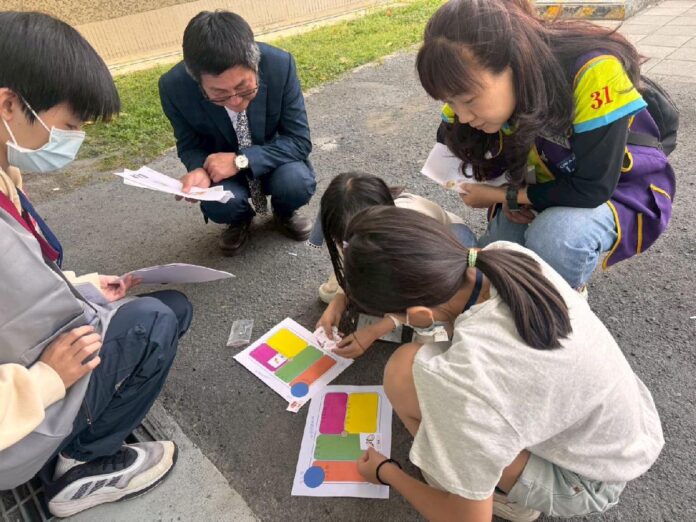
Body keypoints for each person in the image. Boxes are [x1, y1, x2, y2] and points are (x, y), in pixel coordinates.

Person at [341, 206, 663, 522]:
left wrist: (386, 472)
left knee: (404, 376)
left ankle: (507, 498)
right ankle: (478, 468)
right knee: (418, 373)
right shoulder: (503, 254)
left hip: (585, 479)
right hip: (625, 428)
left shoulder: (465, 381)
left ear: (418, 312)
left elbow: (467, 521)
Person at [0, 12, 192, 517]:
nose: (74, 139)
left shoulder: (5, 173)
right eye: (68, 126)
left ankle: (87, 428)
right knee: (154, 322)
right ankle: (79, 465)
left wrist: (81, 286)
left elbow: (22, 275)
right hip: (17, 418)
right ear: (8, 105)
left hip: (39, 354)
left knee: (172, 310)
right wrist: (45, 381)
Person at [415, 0, 676, 290]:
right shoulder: (475, 89)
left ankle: (564, 303)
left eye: (468, 100)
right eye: (450, 101)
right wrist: (514, 195)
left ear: (514, 62)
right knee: (502, 255)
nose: (462, 115)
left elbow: (593, 188)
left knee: (556, 238)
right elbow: (449, 137)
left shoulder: (593, 71)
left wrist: (507, 196)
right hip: (550, 179)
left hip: (618, 186)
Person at [159, 10, 316, 256]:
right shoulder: (173, 87)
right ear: (197, 81)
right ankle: (240, 220)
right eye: (219, 94)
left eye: (244, 88)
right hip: (222, 173)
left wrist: (240, 160)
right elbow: (189, 144)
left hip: (274, 161)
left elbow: (299, 140)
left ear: (255, 64)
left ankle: (284, 213)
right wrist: (199, 169)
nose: (234, 101)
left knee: (296, 183)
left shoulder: (280, 65)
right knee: (219, 204)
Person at [312, 172, 476, 358]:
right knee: (334, 295)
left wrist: (375, 331)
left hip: (450, 246)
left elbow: (424, 299)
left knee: (437, 322)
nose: (344, 247)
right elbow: (357, 266)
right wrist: (338, 300)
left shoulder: (409, 238)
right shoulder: (352, 225)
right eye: (343, 242)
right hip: (405, 256)